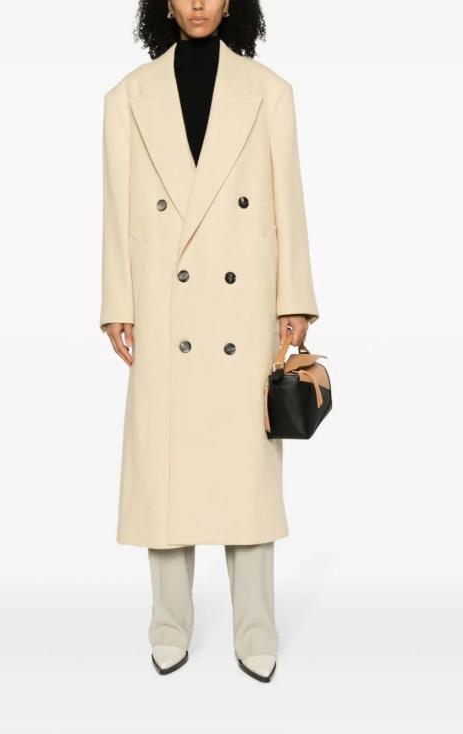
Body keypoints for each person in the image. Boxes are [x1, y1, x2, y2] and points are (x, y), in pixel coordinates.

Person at [99, 0, 320, 683]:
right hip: (165, 308)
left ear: (233, 3)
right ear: (163, 3)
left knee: (247, 473)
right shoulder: (127, 97)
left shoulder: (270, 93)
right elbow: (117, 209)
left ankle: (256, 628)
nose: (198, 3)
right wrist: (118, 302)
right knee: (162, 470)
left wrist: (294, 298)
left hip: (241, 309)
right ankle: (169, 625)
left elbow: (288, 202)